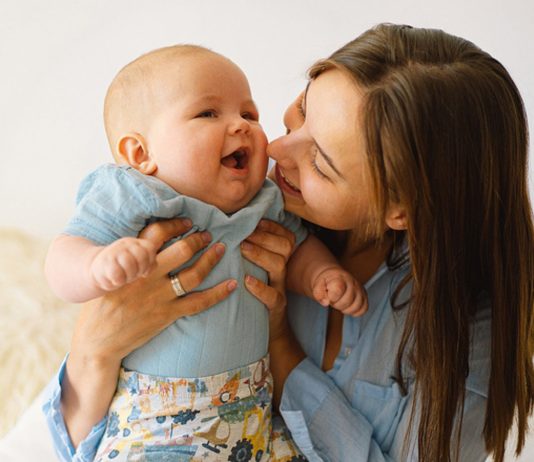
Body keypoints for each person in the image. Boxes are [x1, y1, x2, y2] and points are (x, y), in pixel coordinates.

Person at [42, 23, 534, 462]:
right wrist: (95, 350)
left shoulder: (467, 337)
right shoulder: (206, 205)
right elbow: (81, 438)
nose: (274, 148)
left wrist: (280, 342)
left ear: (400, 208)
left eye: (321, 162)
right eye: (300, 113)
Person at [43, 45, 366, 460]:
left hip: (252, 413)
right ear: (141, 154)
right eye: (208, 114)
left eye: (249, 114)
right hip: (159, 420)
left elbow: (299, 248)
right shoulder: (135, 194)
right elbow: (63, 255)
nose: (242, 126)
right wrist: (96, 264)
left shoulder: (263, 201)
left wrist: (323, 276)